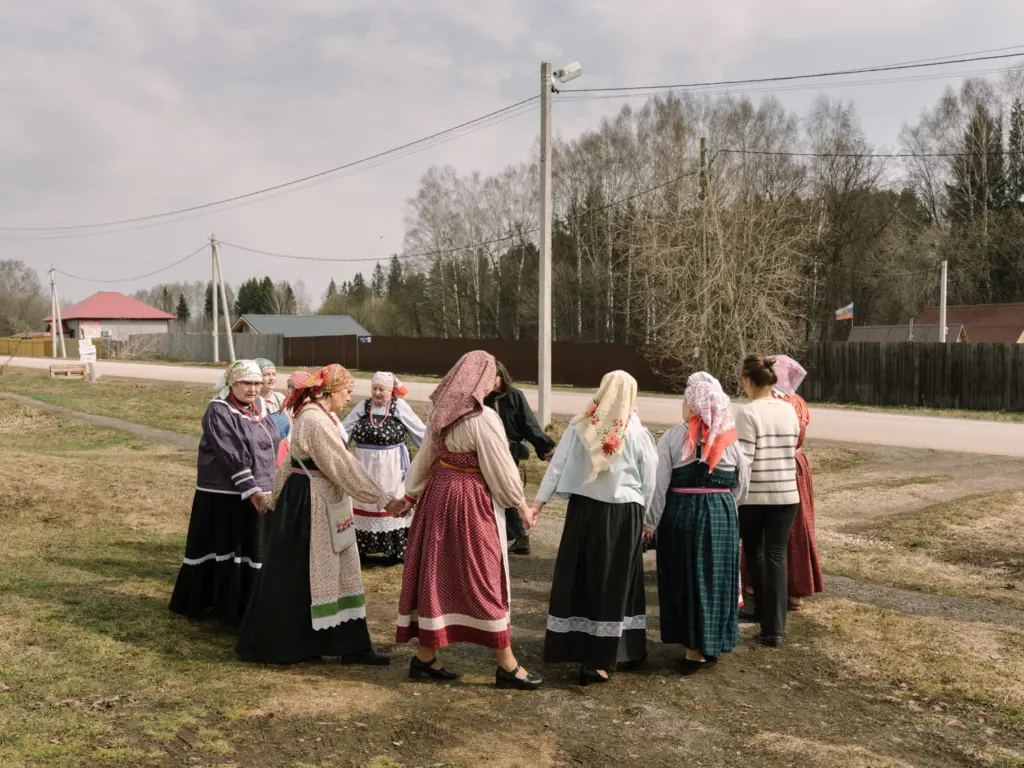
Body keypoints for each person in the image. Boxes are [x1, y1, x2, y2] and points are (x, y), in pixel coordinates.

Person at [393, 350, 542, 690]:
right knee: (484, 574)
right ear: (478, 380)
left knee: (437, 570)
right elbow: (501, 468)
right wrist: (520, 504)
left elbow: (426, 458)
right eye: (489, 374)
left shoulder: (440, 412)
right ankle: (506, 665)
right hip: (470, 501)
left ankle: (426, 657)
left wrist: (411, 493)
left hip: (438, 495)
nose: (492, 381)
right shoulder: (482, 418)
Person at [236, 364, 399, 665]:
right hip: (312, 504)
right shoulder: (314, 419)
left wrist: (274, 494)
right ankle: (297, 644)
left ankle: (348, 644)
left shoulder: (319, 416)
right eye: (348, 390)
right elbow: (342, 465)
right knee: (308, 572)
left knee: (333, 571)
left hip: (322, 502)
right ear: (332, 389)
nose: (350, 397)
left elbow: (290, 463)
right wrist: (383, 498)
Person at [530, 370, 657, 686]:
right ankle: (610, 653)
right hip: (622, 514)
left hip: (585, 512)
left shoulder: (581, 426)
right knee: (614, 581)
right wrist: (648, 518)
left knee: (584, 577)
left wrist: (538, 504)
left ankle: (586, 648)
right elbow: (650, 479)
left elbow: (557, 467)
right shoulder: (637, 432)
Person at [645, 372, 749, 675]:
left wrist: (650, 523)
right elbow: (742, 485)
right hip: (721, 513)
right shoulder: (730, 439)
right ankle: (712, 642)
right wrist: (725, 505)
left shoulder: (673, 437)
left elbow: (658, 485)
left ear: (692, 404)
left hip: (681, 512)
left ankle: (693, 649)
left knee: (686, 576)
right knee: (717, 578)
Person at [170, 360, 280, 626]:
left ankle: (248, 603)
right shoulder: (218, 410)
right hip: (225, 493)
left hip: (261, 488)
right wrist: (251, 488)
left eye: (256, 383)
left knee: (253, 547)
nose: (253, 388)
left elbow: (273, 442)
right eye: (246, 383)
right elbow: (230, 452)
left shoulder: (260, 408)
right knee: (228, 545)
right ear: (232, 383)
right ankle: (219, 603)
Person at [740, 355, 822, 613]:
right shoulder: (796, 403)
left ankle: (756, 588)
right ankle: (794, 591)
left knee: (760, 542)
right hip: (793, 471)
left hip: (766, 474)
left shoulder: (765, 405)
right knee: (792, 534)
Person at [736, 354, 801, 647]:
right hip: (787, 494)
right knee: (777, 555)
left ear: (748, 381)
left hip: (756, 496)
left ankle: (763, 614)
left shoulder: (748, 412)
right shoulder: (788, 410)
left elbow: (744, 461)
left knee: (756, 554)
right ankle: (775, 625)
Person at [341, 371, 426, 562]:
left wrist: (432, 453)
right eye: (374, 388)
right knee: (364, 501)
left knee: (392, 499)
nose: (377, 393)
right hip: (365, 465)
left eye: (382, 389)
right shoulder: (363, 406)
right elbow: (344, 430)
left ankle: (395, 549)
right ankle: (362, 549)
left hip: (392, 466)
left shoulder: (399, 406)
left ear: (391, 391)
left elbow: (419, 431)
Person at [484, 360, 556, 556]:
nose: (490, 382)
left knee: (507, 491)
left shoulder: (515, 397)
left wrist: (547, 449)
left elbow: (529, 425)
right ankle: (498, 536)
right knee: (489, 493)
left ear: (502, 376)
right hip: (486, 453)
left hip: (508, 453)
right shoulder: (483, 399)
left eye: (494, 378)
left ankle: (520, 536)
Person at [274, 370, 310, 467]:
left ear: (303, 389)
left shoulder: (310, 408)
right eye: (288, 386)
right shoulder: (287, 405)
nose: (289, 390)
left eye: (293, 387)